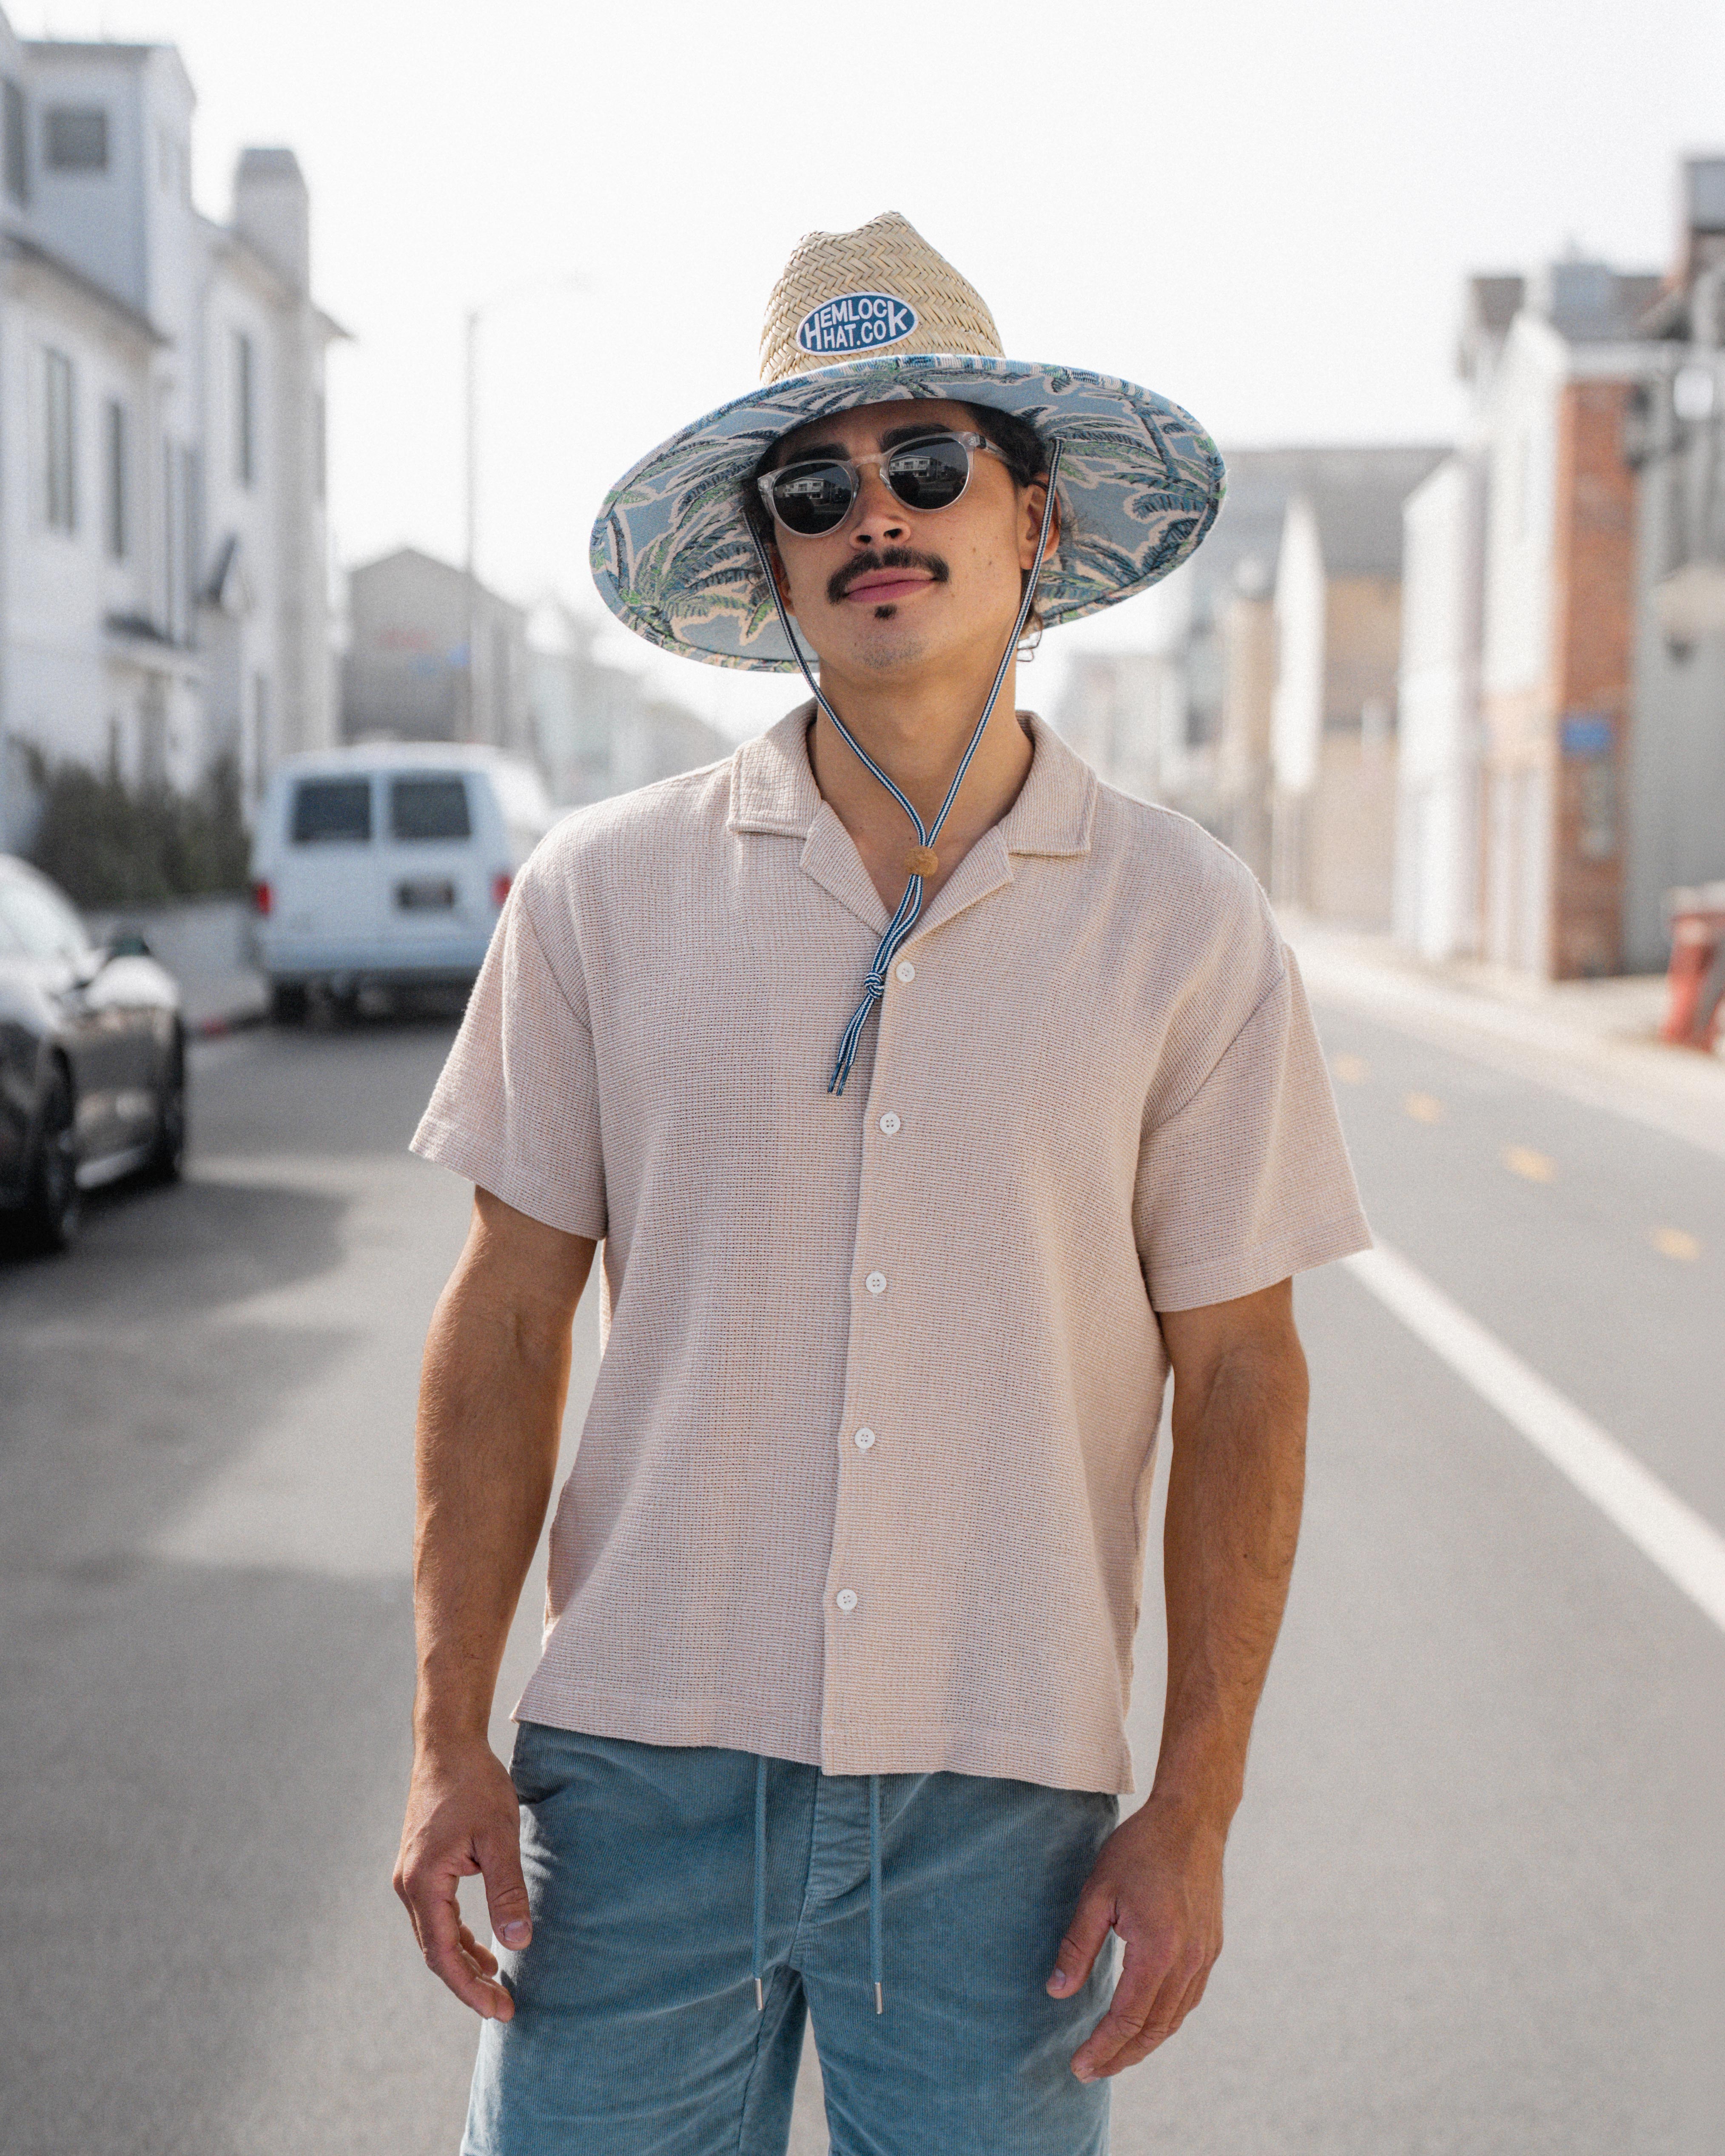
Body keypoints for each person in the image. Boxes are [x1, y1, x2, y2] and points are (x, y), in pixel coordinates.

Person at [394, 212, 1372, 2156]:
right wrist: (444, 1735)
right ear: (773, 560)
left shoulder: (1187, 919)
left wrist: (1196, 1801)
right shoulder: (602, 890)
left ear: (1035, 525)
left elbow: (1246, 1373)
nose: (878, 515)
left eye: (930, 466)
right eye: (816, 486)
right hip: (638, 1783)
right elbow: (505, 1317)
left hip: (998, 1823)